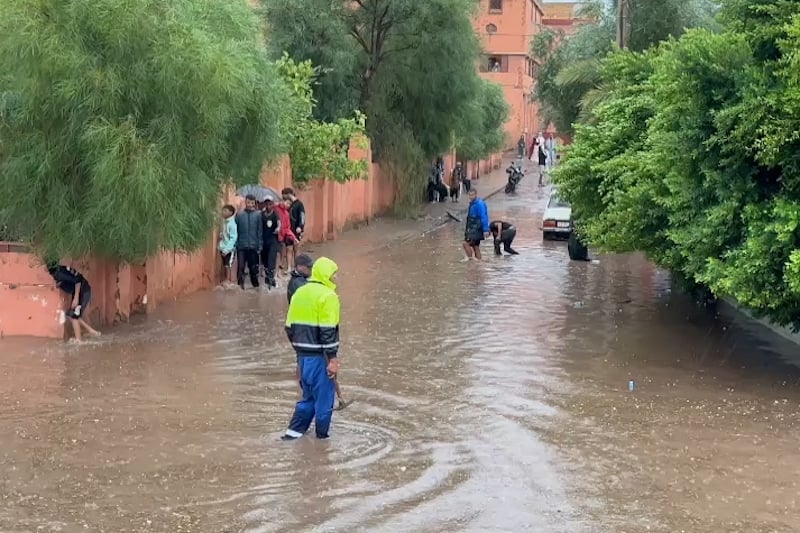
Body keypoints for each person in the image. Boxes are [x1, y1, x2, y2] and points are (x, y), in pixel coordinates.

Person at [282, 257, 341, 441]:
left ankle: (292, 436)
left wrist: (299, 355)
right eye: (334, 275)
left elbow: (289, 327)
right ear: (326, 275)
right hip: (320, 358)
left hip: (303, 358)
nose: (336, 278)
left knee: (307, 398)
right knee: (324, 401)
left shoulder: (299, 293)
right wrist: (332, 359)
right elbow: (328, 330)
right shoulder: (328, 296)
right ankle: (322, 442)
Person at [47, 262, 100, 342]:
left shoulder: (59, 273)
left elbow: (78, 280)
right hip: (79, 292)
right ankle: (91, 331)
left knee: (74, 316)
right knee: (70, 314)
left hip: (83, 291)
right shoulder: (60, 270)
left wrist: (76, 298)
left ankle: (79, 341)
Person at [235, 194, 263, 289]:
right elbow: (236, 230)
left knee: (253, 269)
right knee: (240, 267)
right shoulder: (239, 215)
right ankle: (240, 287)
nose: (250, 204)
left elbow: (260, 231)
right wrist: (236, 244)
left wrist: (260, 246)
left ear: (254, 203)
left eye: (252, 202)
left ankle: (255, 287)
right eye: (248, 202)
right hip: (241, 246)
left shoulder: (258, 215)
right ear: (245, 202)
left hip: (253, 246)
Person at [282, 188, 306, 270]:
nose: (284, 199)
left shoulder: (299, 204)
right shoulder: (288, 204)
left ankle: (296, 267)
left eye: (284, 196)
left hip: (296, 230)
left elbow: (302, 216)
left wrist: (301, 227)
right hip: (288, 230)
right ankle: (289, 267)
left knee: (296, 249)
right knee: (288, 248)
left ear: (289, 194)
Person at [462, 189, 490, 261]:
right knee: (475, 246)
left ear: (476, 195)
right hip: (473, 227)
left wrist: (486, 230)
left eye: (472, 195)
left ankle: (470, 259)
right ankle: (478, 262)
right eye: (470, 195)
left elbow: (484, 216)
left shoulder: (479, 204)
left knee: (465, 243)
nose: (471, 197)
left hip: (476, 228)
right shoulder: (473, 203)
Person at [261, 198, 281, 289]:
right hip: (264, 241)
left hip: (273, 240)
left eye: (270, 204)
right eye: (267, 204)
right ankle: (267, 276)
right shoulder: (262, 215)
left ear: (273, 204)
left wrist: (278, 229)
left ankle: (271, 278)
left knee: (271, 259)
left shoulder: (275, 215)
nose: (268, 206)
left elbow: (279, 223)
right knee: (264, 259)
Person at [275, 198, 297, 274]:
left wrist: (293, 237)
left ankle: (287, 267)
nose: (288, 205)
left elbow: (288, 227)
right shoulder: (275, 209)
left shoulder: (286, 214)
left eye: (289, 204)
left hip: (283, 235)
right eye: (287, 203)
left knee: (286, 250)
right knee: (278, 253)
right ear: (282, 201)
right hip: (275, 235)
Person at [218, 204, 238, 285]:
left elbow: (233, 238)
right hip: (223, 247)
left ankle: (228, 280)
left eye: (225, 211)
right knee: (225, 264)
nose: (223, 212)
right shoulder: (225, 222)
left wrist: (227, 249)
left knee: (228, 264)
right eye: (223, 210)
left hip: (229, 249)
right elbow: (225, 234)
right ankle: (226, 280)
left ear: (231, 212)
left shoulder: (232, 224)